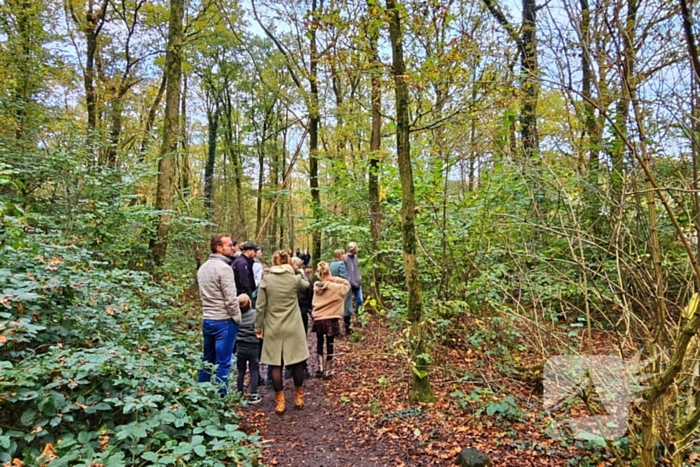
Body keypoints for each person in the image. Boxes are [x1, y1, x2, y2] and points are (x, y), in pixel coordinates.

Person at [255, 250, 310, 415]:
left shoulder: (266, 281)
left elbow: (260, 307)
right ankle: (298, 398)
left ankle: (280, 402)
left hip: (273, 327)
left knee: (276, 364)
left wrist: (258, 328)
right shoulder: (293, 280)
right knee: (297, 362)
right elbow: (306, 284)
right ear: (288, 262)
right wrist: (298, 269)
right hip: (293, 326)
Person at [197, 234, 250, 396]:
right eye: (229, 245)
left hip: (208, 320)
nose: (233, 247)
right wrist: (237, 319)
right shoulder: (225, 269)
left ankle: (199, 396)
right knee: (223, 364)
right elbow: (230, 299)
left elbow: (203, 296)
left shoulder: (203, 268)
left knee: (207, 361)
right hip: (224, 322)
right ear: (219, 248)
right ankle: (222, 400)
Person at [312, 261, 350, 379]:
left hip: (319, 318)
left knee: (319, 341)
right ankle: (328, 370)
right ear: (329, 273)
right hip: (331, 318)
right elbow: (347, 284)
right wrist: (333, 279)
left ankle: (320, 368)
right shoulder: (336, 287)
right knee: (330, 342)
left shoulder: (317, 286)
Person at [235, 302, 262, 404]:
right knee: (254, 370)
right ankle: (253, 394)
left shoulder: (237, 316)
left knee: (241, 371)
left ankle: (239, 393)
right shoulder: (255, 314)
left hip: (240, 346)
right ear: (250, 303)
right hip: (253, 346)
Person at [330, 249, 353, 334]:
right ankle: (348, 328)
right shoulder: (341, 264)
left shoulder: (331, 264)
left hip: (333, 289)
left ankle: (335, 329)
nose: (345, 256)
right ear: (340, 255)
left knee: (335, 310)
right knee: (346, 309)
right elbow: (344, 277)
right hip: (342, 290)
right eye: (343, 254)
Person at [344, 242, 363, 328]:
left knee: (360, 300)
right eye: (356, 248)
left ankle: (360, 319)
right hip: (349, 284)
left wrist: (359, 277)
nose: (357, 249)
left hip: (357, 283)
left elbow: (356, 268)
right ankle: (347, 324)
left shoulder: (355, 257)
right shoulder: (345, 258)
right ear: (352, 249)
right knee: (348, 303)